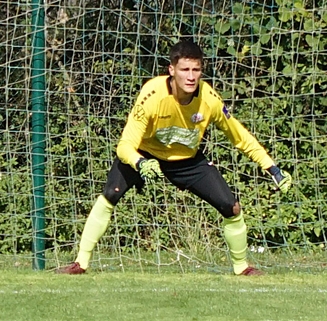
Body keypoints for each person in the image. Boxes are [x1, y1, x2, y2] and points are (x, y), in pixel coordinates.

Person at [55, 40, 289, 276]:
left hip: (187, 160)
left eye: (196, 70)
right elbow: (125, 146)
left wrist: (272, 168)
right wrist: (140, 162)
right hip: (145, 155)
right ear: (172, 70)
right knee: (110, 194)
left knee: (232, 207)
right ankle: (80, 263)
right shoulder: (152, 95)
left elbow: (240, 136)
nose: (191, 76)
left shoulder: (209, 99)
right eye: (185, 69)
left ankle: (242, 268)